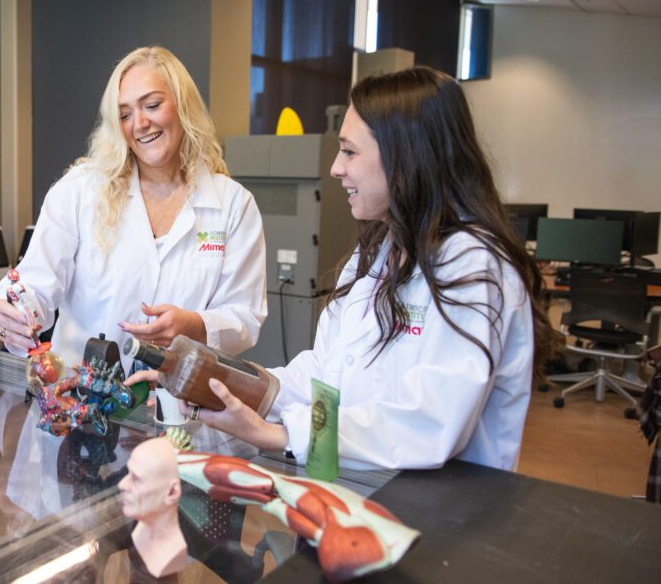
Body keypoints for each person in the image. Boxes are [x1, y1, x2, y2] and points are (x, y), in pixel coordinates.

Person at [129, 67, 555, 472]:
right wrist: (215, 381)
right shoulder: (381, 250)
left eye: (349, 151)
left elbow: (433, 423)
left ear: (407, 157)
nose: (335, 168)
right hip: (356, 490)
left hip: (436, 516)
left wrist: (276, 434)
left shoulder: (474, 265)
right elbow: (326, 372)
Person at [0, 46, 267, 368]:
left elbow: (244, 316)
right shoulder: (80, 191)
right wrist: (15, 316)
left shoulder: (232, 204)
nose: (140, 123)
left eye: (152, 105)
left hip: (177, 405)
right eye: (124, 114)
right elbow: (34, 285)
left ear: (183, 106)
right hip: (80, 401)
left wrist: (195, 325)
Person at [118, 437, 187, 578]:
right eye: (128, 474)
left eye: (136, 478)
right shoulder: (139, 531)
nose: (122, 484)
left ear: (171, 492)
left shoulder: (172, 551)